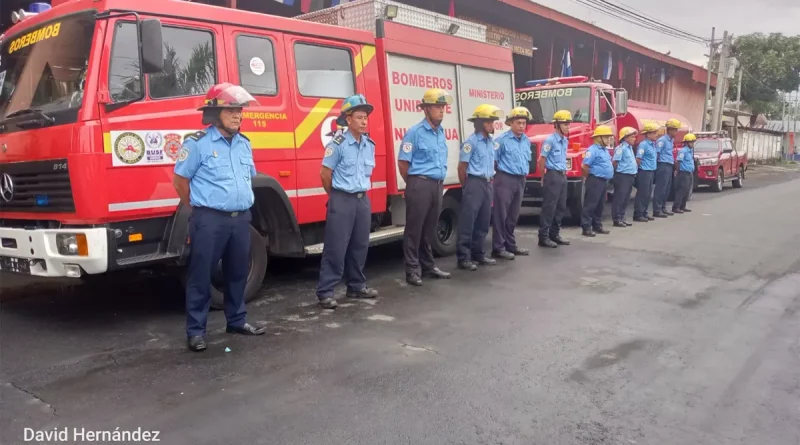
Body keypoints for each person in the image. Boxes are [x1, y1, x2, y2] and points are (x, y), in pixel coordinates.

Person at [173, 83, 266, 352]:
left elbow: (248, 178)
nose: (238, 115)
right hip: (209, 220)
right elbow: (180, 181)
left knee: (237, 272)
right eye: (231, 110)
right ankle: (196, 331)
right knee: (201, 275)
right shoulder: (197, 144)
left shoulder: (244, 144)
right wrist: (201, 209)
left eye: (239, 111)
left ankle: (236, 320)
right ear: (214, 114)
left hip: (240, 219)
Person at [315, 94, 380, 310]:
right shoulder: (338, 144)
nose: (363, 121)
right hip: (342, 198)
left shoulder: (369, 144)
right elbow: (325, 174)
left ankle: (356, 286)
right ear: (348, 119)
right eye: (360, 117)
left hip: (362, 199)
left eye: (365, 118)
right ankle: (326, 291)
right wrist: (335, 196)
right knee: (336, 247)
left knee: (360, 245)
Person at [398, 88, 453, 286]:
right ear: (426, 109)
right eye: (438, 107)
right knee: (414, 230)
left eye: (443, 107)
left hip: (437, 186)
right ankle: (412, 270)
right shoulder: (414, 133)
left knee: (429, 229)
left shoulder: (440, 133)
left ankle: (428, 267)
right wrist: (414, 183)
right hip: (419, 184)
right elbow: (403, 163)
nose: (442, 111)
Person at [456, 104, 503, 271]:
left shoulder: (491, 142)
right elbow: (461, 167)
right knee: (468, 221)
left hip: (488, 183)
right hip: (475, 183)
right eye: (490, 122)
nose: (493, 125)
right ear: (481, 123)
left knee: (484, 220)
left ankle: (479, 253)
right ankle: (464, 257)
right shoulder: (471, 142)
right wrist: (467, 186)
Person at [491, 107, 533, 260]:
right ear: (510, 123)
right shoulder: (501, 141)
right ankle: (498, 247)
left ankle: (510, 244)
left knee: (513, 215)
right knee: (500, 215)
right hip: (505, 179)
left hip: (520, 179)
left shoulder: (526, 140)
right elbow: (493, 161)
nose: (522, 126)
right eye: (518, 123)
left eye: (524, 123)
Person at [537, 110, 573, 248]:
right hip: (552, 175)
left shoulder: (564, 140)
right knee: (549, 207)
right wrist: (543, 176)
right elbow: (541, 159)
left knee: (561, 206)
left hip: (562, 175)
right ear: (557, 125)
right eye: (565, 124)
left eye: (568, 124)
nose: (567, 127)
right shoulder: (550, 140)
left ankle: (554, 234)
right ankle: (543, 236)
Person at [580, 125, 615, 237]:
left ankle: (597, 225)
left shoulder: (604, 150)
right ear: (599, 138)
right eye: (606, 137)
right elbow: (584, 166)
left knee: (600, 205)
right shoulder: (593, 150)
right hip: (595, 180)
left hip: (603, 181)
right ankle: (586, 228)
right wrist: (588, 178)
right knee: (590, 205)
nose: (608, 139)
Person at [653, 118, 682, 217]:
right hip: (663, 165)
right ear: (669, 129)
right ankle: (657, 209)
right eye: (675, 129)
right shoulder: (662, 140)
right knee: (661, 188)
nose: (676, 132)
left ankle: (663, 208)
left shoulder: (671, 140)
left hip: (669, 165)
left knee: (667, 188)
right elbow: (657, 153)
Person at [611, 126, 638, 227]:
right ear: (625, 137)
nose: (634, 139)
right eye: (632, 137)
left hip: (630, 176)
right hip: (622, 176)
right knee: (620, 197)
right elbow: (615, 162)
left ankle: (622, 217)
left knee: (626, 198)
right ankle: (617, 219)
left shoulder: (630, 148)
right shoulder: (621, 148)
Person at [633, 122, 659, 222]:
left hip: (651, 171)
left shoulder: (652, 144)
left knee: (648, 194)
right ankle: (638, 214)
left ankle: (644, 212)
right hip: (644, 172)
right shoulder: (643, 145)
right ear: (648, 134)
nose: (656, 134)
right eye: (654, 133)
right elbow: (638, 159)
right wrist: (637, 171)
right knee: (642, 193)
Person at [672, 133, 696, 214]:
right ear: (686, 142)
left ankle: (683, 206)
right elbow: (678, 161)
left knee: (687, 190)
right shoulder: (683, 151)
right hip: (683, 173)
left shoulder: (691, 151)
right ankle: (676, 207)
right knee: (681, 190)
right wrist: (677, 171)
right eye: (691, 142)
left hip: (689, 172)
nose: (692, 143)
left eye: (693, 142)